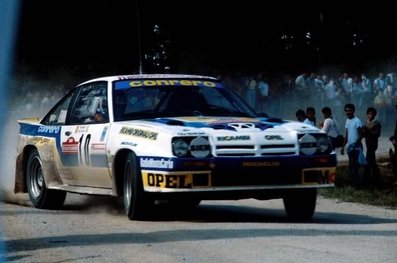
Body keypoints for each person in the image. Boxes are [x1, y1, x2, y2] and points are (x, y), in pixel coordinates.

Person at [341, 103, 364, 189]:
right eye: (347, 111)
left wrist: (356, 143)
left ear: (353, 111)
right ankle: (356, 184)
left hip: (356, 147)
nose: (348, 112)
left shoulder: (357, 120)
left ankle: (356, 186)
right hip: (350, 147)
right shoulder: (347, 121)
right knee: (352, 166)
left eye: (350, 110)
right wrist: (343, 147)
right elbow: (346, 135)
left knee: (354, 166)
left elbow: (362, 133)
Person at [362, 107, 382, 186]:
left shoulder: (376, 123)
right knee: (372, 161)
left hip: (373, 144)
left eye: (372, 114)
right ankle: (375, 178)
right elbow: (364, 134)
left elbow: (377, 134)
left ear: (375, 115)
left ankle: (367, 178)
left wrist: (369, 130)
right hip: (368, 144)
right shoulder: (366, 123)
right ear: (367, 114)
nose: (371, 115)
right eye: (369, 113)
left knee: (369, 161)